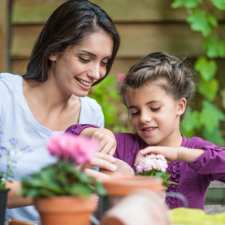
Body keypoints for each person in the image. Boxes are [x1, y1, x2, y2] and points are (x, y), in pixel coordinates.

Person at [0, 0, 120, 222]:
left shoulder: (91, 114)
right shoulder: (5, 96)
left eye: (104, 62)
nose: (96, 73)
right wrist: (55, 186)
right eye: (85, 58)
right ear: (54, 50)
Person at [66, 52, 225, 209]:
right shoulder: (122, 146)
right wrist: (94, 133)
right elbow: (68, 138)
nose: (143, 118)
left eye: (154, 108)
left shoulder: (195, 151)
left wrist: (180, 154)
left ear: (180, 106)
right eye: (134, 112)